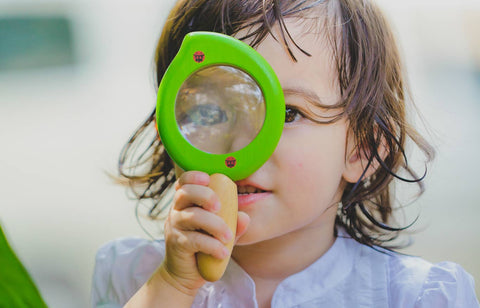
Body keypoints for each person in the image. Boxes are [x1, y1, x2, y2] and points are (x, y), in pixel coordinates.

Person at [91, 0, 479, 307]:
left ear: (361, 148)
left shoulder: (415, 298)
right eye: (210, 112)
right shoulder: (135, 278)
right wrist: (173, 287)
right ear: (170, 133)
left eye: (289, 113)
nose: (241, 143)